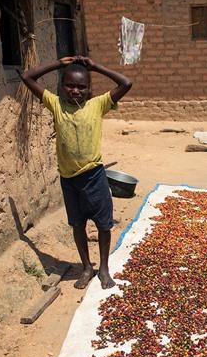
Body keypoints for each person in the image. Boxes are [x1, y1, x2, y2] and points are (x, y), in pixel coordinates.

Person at [17, 56, 132, 289]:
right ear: (61, 87)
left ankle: (104, 268)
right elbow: (27, 77)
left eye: (81, 86)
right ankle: (87, 267)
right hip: (69, 180)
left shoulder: (97, 105)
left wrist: (96, 66)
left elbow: (126, 83)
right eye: (70, 85)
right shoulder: (56, 104)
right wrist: (58, 64)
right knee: (77, 225)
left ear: (89, 89)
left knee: (103, 225)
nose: (75, 91)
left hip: (94, 177)